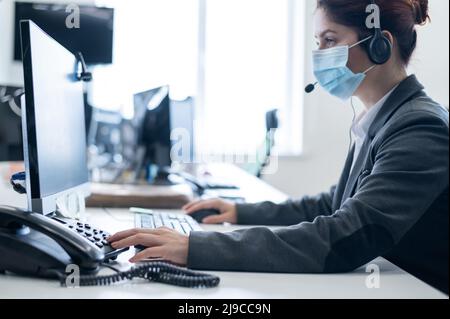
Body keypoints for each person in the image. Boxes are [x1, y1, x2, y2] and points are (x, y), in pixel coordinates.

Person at [108, 0, 449, 294]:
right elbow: (333, 204)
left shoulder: (419, 128)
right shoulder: (382, 117)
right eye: (318, 41)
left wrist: (196, 246)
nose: (319, 54)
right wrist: (240, 212)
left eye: (330, 40)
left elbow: (348, 235)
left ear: (380, 45)